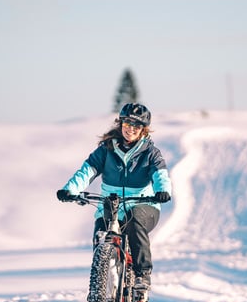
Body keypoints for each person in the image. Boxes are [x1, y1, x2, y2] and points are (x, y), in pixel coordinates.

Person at [56, 103, 173, 291]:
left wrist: (163, 190)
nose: (131, 129)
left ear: (143, 129)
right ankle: (100, 286)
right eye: (127, 123)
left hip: (143, 203)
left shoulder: (150, 152)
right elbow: (87, 171)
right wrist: (70, 189)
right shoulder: (107, 149)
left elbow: (160, 174)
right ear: (121, 124)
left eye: (136, 126)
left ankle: (142, 274)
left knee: (134, 222)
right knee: (101, 232)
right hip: (110, 204)